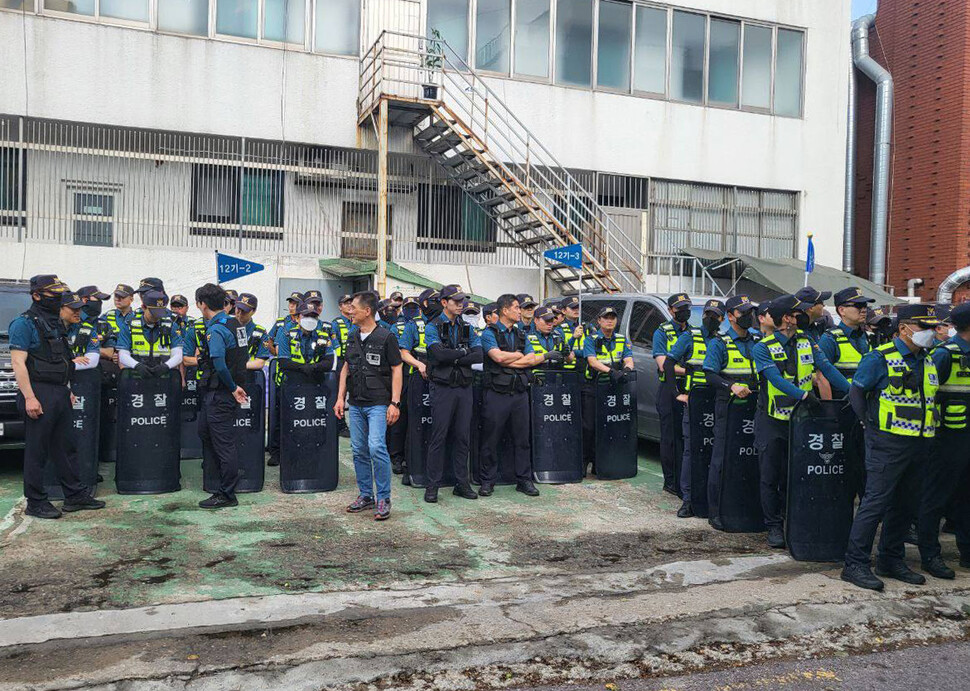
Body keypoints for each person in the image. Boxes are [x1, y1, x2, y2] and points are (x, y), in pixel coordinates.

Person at [842, 304, 942, 590]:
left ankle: (891, 558)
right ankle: (855, 564)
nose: (931, 334)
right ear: (904, 329)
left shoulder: (927, 359)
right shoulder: (880, 358)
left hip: (920, 443)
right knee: (875, 503)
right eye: (925, 328)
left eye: (933, 328)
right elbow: (857, 393)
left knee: (906, 504)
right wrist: (868, 426)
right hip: (888, 442)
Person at [753, 295, 850, 549]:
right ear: (787, 318)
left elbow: (827, 369)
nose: (805, 315)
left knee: (795, 473)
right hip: (773, 420)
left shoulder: (808, 342)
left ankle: (791, 519)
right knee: (770, 474)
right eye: (799, 313)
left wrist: (853, 390)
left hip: (803, 421)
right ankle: (773, 524)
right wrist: (804, 396)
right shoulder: (763, 347)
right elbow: (775, 379)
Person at [10, 276, 105, 519]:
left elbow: (61, 361)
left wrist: (68, 388)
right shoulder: (24, 324)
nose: (58, 298)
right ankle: (36, 501)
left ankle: (75, 496)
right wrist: (29, 397)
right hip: (38, 392)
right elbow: (18, 364)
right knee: (37, 451)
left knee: (66, 447)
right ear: (37, 296)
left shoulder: (54, 324)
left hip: (60, 392)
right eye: (53, 294)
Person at [334, 291, 403, 521]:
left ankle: (383, 497)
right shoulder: (352, 336)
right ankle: (366, 495)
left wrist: (395, 402)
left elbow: (397, 368)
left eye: (353, 307)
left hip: (378, 403)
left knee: (376, 447)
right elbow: (346, 367)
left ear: (367, 311)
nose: (349, 311)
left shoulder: (386, 336)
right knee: (358, 450)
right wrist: (340, 398)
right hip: (356, 403)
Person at [916, 302, 970, 580]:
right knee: (935, 499)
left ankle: (967, 553)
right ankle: (929, 555)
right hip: (945, 439)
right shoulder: (944, 354)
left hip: (967, 439)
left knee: (966, 498)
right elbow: (924, 394)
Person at [702, 295, 760, 527]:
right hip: (729, 406)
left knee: (750, 456)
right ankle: (716, 511)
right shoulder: (720, 342)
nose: (748, 317)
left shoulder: (757, 340)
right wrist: (731, 386)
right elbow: (710, 374)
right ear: (730, 316)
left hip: (754, 406)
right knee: (722, 457)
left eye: (750, 312)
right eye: (742, 312)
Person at [422, 286, 483, 502]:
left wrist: (454, 356)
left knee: (462, 437)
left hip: (464, 388)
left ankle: (461, 483)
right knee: (439, 437)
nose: (460, 304)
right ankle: (432, 485)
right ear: (444, 302)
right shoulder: (433, 326)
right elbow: (437, 355)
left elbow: (479, 355)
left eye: (462, 301)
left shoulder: (467, 327)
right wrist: (462, 353)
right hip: (443, 388)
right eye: (456, 301)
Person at [194, 283, 250, 509]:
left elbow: (218, 362)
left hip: (221, 393)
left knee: (224, 445)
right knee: (205, 431)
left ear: (202, 304)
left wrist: (232, 387)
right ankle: (220, 483)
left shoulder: (216, 329)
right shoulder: (235, 323)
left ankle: (227, 493)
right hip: (222, 392)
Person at [668, 299, 725, 518]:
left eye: (715, 315)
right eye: (708, 314)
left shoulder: (723, 340)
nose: (711, 318)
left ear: (722, 318)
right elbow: (668, 364)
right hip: (695, 401)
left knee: (717, 449)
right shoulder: (690, 336)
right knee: (692, 449)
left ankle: (715, 499)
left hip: (719, 399)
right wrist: (677, 394)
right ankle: (688, 500)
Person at [480, 294, 539, 497]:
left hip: (519, 394)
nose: (519, 310)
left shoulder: (522, 333)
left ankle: (524, 480)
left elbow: (532, 359)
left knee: (522, 439)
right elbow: (496, 357)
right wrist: (518, 356)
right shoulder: (489, 333)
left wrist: (510, 360)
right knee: (491, 439)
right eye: (516, 307)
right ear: (505, 310)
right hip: (497, 394)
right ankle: (487, 480)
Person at [273, 301, 335, 464]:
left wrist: (311, 367)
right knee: (288, 421)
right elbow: (284, 362)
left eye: (313, 316)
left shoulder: (323, 336)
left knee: (314, 421)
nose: (310, 319)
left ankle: (314, 453)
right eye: (306, 316)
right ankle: (283, 453)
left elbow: (329, 362)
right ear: (298, 317)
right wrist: (306, 368)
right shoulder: (286, 333)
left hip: (316, 387)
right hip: (291, 387)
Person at [583, 306, 635, 475]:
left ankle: (602, 464)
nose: (610, 320)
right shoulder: (591, 339)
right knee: (589, 427)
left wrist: (626, 370)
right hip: (594, 387)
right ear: (599, 321)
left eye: (612, 317)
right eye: (606, 318)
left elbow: (629, 359)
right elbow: (592, 361)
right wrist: (611, 371)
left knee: (610, 427)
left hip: (614, 388)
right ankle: (583, 463)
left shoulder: (621, 339)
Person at [653, 293, 693, 496]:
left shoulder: (695, 333)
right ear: (671, 311)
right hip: (670, 389)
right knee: (671, 438)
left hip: (690, 389)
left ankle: (685, 480)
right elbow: (662, 365)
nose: (684, 311)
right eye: (680, 308)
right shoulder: (662, 332)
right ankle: (671, 482)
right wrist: (690, 370)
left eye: (687, 307)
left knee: (687, 437)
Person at [116, 291, 183, 376]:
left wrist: (166, 366)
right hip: (136, 377)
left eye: (160, 313)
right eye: (153, 313)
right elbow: (123, 355)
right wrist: (137, 366)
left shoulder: (171, 326)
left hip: (163, 378)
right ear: (143, 307)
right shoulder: (129, 326)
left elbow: (178, 355)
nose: (157, 317)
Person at [818, 288, 875, 382]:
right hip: (841, 396)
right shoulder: (829, 339)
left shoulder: (869, 337)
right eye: (859, 305)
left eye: (865, 305)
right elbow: (821, 378)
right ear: (842, 310)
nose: (864, 310)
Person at [233, 293, 270, 373]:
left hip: (248, 375)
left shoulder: (259, 332)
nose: (239, 313)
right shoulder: (225, 327)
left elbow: (260, 362)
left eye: (244, 311)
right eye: (238, 309)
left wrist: (237, 366)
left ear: (253, 311)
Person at [101, 283, 136, 356]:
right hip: (111, 359)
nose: (117, 299)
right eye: (116, 296)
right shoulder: (106, 317)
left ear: (131, 299)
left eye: (122, 297)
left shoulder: (138, 318)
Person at [267, 291, 303, 357]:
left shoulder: (304, 324)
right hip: (280, 360)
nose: (291, 306)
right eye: (290, 303)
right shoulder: (280, 322)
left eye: (294, 304)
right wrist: (275, 353)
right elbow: (269, 338)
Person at [330, 293, 355, 361]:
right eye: (346, 303)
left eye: (351, 303)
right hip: (341, 360)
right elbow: (335, 345)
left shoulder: (357, 322)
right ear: (340, 307)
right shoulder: (335, 324)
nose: (350, 305)